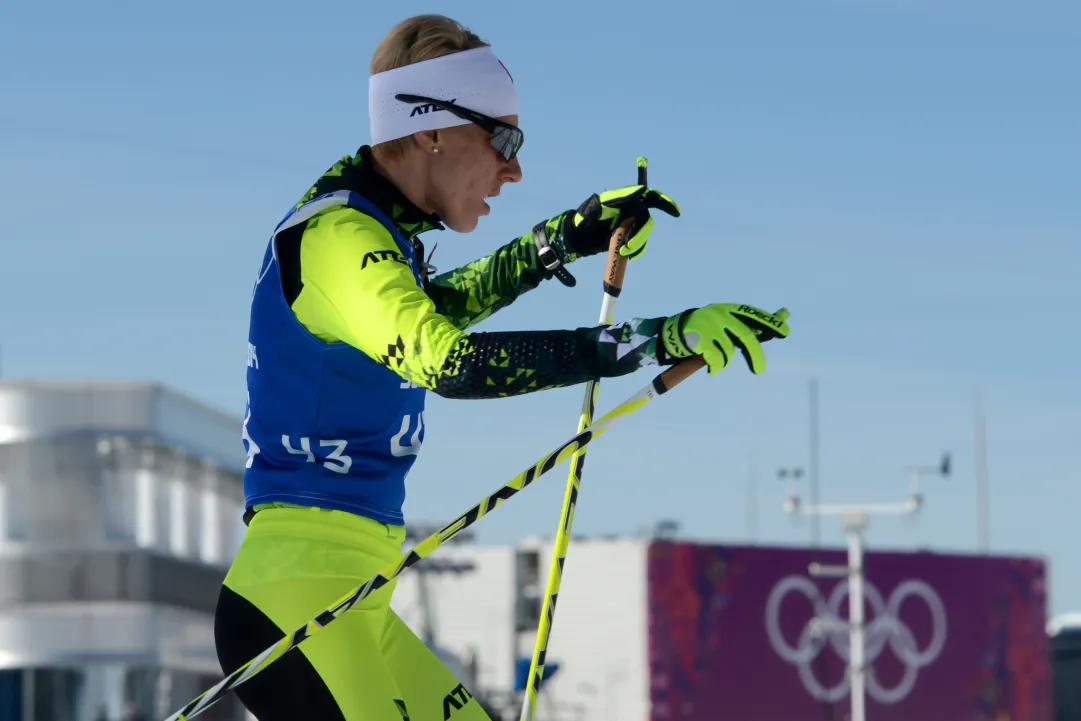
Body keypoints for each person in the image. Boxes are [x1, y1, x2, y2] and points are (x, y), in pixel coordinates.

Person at [213, 13, 791, 721]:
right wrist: (655, 340)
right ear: (430, 129)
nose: (514, 167)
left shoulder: (373, 234)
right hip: (294, 604)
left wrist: (560, 239)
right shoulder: (336, 237)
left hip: (355, 598)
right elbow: (446, 360)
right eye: (502, 138)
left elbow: (436, 308)